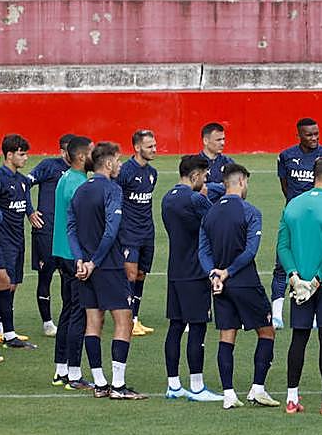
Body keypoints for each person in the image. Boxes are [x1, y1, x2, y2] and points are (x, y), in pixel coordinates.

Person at [68, 141, 146, 400]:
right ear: (109, 163)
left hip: (85, 267)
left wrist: (80, 260)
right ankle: (119, 385)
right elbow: (111, 230)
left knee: (93, 322)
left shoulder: (80, 190)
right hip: (108, 266)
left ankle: (100, 383)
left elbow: (71, 228)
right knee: (123, 321)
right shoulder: (112, 189)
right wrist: (95, 262)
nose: (121, 165)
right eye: (119, 160)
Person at [199, 163, 279, 408]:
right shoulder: (250, 211)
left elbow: (203, 251)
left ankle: (229, 394)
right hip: (244, 282)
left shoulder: (209, 214)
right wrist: (228, 272)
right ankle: (257, 389)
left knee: (227, 336)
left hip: (219, 285)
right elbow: (250, 251)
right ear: (242, 181)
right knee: (267, 331)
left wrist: (214, 275)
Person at [276, 156, 322, 415]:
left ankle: (291, 399)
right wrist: (317, 281)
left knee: (299, 337)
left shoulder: (293, 205)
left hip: (299, 285)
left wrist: (295, 278)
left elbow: (282, 247)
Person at [272, 118, 322, 329]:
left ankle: (312, 311)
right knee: (281, 263)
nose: (314, 138)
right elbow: (285, 187)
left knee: (314, 262)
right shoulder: (286, 156)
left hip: (319, 221)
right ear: (299, 135)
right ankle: (276, 313)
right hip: (294, 218)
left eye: (316, 134)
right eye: (309, 135)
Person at [160, 154, 216, 402]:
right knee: (197, 328)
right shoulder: (195, 199)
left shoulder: (166, 198)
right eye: (204, 176)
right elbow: (217, 224)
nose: (206, 180)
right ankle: (197, 386)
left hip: (175, 271)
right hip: (195, 273)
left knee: (175, 326)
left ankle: (173, 385)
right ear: (194, 176)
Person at [50, 136, 93, 391]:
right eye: (91, 152)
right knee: (79, 313)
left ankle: (61, 369)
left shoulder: (66, 178)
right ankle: (74, 374)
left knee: (68, 310)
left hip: (61, 251)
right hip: (73, 255)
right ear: (80, 157)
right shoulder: (78, 184)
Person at [0, 134, 40, 349]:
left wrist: (30, 212)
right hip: (2, 240)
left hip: (18, 238)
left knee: (14, 284)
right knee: (5, 284)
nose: (26, 158)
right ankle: (5, 332)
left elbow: (25, 199)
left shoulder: (21, 180)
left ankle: (4, 328)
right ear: (9, 155)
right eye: (22, 154)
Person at [29, 133, 75, 337]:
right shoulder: (48, 165)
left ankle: (69, 317)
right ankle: (47, 322)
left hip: (69, 233)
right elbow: (24, 184)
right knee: (45, 275)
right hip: (46, 231)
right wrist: (30, 211)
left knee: (70, 276)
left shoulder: (79, 171)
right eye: (67, 150)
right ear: (62, 150)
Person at [115, 129, 159, 337]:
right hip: (128, 232)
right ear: (137, 147)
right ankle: (125, 318)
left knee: (141, 275)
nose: (154, 149)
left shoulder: (152, 173)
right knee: (130, 275)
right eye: (150, 146)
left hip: (147, 232)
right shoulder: (124, 171)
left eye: (154, 145)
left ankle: (134, 318)